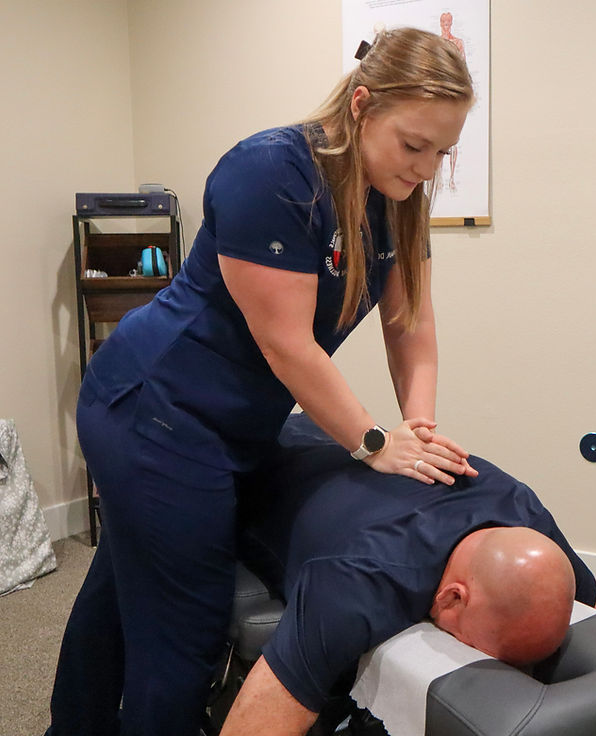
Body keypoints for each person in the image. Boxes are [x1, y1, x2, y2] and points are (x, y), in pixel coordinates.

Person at [47, 28, 477, 736]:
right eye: (413, 145)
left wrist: (419, 431)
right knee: (183, 635)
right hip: (153, 408)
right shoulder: (270, 171)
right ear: (363, 105)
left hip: (231, 415)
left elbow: (410, 325)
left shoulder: (396, 195)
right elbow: (287, 346)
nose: (427, 168)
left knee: (127, 589)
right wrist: (375, 441)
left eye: (442, 152)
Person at [219, 414, 596, 735]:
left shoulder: (524, 515)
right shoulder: (359, 581)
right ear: (452, 598)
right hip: (238, 463)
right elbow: (258, 720)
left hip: (325, 445)